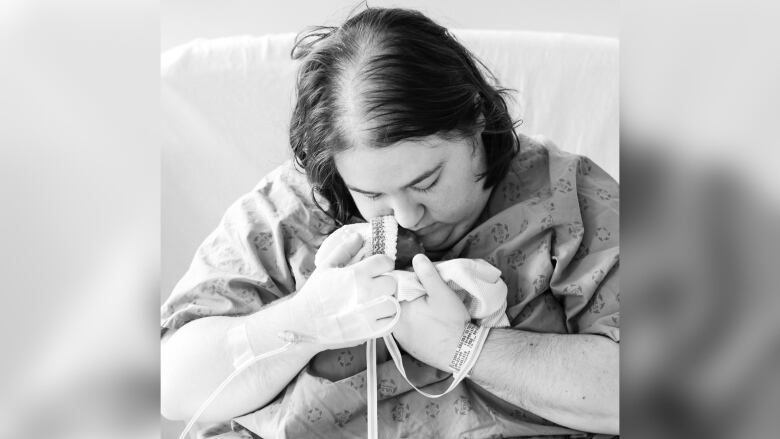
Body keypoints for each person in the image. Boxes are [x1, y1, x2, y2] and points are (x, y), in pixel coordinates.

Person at [161, 7, 619, 438]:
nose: (405, 216)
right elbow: (172, 388)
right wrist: (306, 321)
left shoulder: (567, 196)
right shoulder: (284, 215)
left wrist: (464, 347)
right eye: (372, 194)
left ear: (477, 121)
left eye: (427, 181)